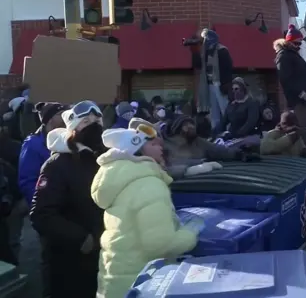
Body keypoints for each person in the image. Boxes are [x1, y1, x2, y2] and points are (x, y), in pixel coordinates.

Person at [91, 124, 209, 298]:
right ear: (137, 153)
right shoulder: (149, 185)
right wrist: (191, 232)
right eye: (153, 145)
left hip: (113, 282)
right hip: (141, 285)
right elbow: (160, 245)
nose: (161, 148)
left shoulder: (118, 180)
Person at [30, 101, 107, 298]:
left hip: (103, 259)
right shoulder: (57, 165)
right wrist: (82, 238)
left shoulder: (104, 160)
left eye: (97, 120)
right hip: (69, 265)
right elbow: (41, 215)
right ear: (73, 129)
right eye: (86, 122)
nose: (94, 125)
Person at [275, 24, 306, 142]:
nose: (298, 46)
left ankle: (305, 152)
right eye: (296, 43)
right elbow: (286, 79)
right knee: (302, 131)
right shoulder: (284, 56)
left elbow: (300, 76)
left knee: (305, 129)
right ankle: (302, 155)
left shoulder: (293, 55)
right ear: (288, 41)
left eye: (300, 43)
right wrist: (301, 94)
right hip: (298, 101)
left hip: (303, 100)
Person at [18, 102, 66, 206]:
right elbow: (27, 182)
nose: (64, 117)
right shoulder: (33, 144)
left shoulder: (69, 139)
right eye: (60, 114)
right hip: (47, 207)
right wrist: (41, 207)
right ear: (49, 119)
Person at [163, 115, 249, 170]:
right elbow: (172, 164)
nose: (191, 127)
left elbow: (217, 150)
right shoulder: (167, 146)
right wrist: (201, 163)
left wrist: (239, 154)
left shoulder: (197, 141)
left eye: (191, 123)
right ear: (178, 129)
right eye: (186, 125)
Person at [195, 29, 234, 128]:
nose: (204, 41)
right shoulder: (206, 51)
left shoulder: (222, 50)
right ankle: (215, 131)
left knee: (225, 109)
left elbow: (228, 68)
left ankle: (230, 129)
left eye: (205, 38)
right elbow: (198, 66)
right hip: (210, 84)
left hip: (220, 83)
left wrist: (226, 84)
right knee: (214, 111)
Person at [212, 77, 261, 148]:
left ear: (243, 89)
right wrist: (215, 133)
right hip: (231, 136)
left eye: (236, 89)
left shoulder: (252, 103)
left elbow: (251, 122)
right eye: (233, 89)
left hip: (248, 136)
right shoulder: (231, 105)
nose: (234, 91)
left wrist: (236, 134)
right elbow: (223, 122)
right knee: (217, 144)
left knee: (232, 147)